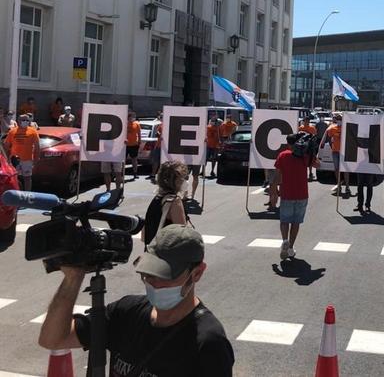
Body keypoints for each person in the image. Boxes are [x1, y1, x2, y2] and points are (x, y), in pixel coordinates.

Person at [37, 225, 234, 376]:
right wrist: (73, 278)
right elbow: (52, 339)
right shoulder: (126, 312)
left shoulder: (208, 343)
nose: (153, 283)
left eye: (165, 276)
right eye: (148, 274)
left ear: (197, 273)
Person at [275, 133, 320, 259]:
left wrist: (278, 187)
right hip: (302, 193)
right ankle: (291, 247)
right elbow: (318, 165)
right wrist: (311, 152)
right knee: (296, 222)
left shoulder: (283, 155)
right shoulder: (305, 156)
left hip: (287, 193)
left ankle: (285, 240)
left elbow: (278, 174)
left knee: (284, 220)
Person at [142, 161, 189, 245]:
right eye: (183, 178)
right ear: (177, 181)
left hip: (151, 250)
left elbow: (144, 235)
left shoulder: (157, 197)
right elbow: (182, 233)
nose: (185, 181)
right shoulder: (175, 201)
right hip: (166, 253)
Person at [3, 114, 40, 190]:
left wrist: (36, 158)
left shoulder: (33, 131)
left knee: (27, 178)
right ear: (18, 121)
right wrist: (7, 158)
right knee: (14, 178)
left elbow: (37, 146)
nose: (25, 121)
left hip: (27, 159)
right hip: (14, 160)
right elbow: (6, 146)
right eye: (23, 120)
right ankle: (15, 194)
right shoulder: (12, 131)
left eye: (27, 120)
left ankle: (27, 194)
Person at [320, 114, 349, 195]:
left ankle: (347, 186)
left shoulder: (346, 128)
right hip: (335, 152)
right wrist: (332, 146)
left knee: (345, 169)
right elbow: (328, 137)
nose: (338, 120)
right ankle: (339, 184)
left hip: (344, 152)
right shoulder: (332, 128)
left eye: (340, 119)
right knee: (336, 169)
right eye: (337, 119)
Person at [297, 116, 317, 181]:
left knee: (310, 159)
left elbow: (315, 136)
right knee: (302, 160)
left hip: (310, 146)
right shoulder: (300, 128)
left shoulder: (312, 128)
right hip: (302, 146)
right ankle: (302, 173)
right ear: (303, 121)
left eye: (307, 121)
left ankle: (310, 173)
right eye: (305, 121)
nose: (306, 122)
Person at [126, 111, 142, 179]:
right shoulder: (125, 124)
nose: (133, 118)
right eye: (131, 117)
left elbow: (139, 133)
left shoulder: (137, 124)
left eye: (133, 117)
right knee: (123, 160)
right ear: (128, 117)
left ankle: (135, 173)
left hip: (134, 144)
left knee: (134, 159)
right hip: (126, 144)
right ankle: (121, 173)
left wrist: (139, 141)